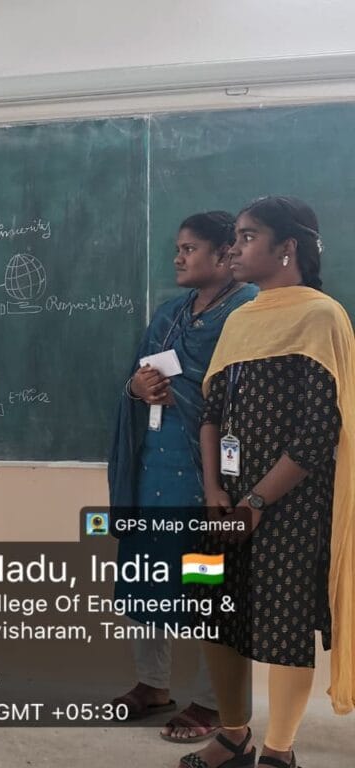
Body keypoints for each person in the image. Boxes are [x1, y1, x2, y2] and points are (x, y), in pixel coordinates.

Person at [181, 196, 355, 768]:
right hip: (223, 502)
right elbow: (211, 413)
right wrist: (215, 492)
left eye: (248, 236)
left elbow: (318, 431)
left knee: (284, 626)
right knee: (212, 610)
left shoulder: (321, 317)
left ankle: (279, 751)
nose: (233, 248)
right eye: (234, 236)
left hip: (291, 506)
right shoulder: (241, 318)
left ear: (288, 248)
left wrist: (255, 502)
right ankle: (234, 736)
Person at [108, 212, 257, 742]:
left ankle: (215, 702)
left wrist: (183, 396)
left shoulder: (248, 312)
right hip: (154, 473)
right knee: (149, 580)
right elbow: (136, 375)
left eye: (189, 249)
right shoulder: (170, 314)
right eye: (178, 247)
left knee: (210, 589)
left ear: (224, 254)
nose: (178, 257)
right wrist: (138, 387)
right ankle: (153, 685)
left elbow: (246, 400)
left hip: (210, 478)